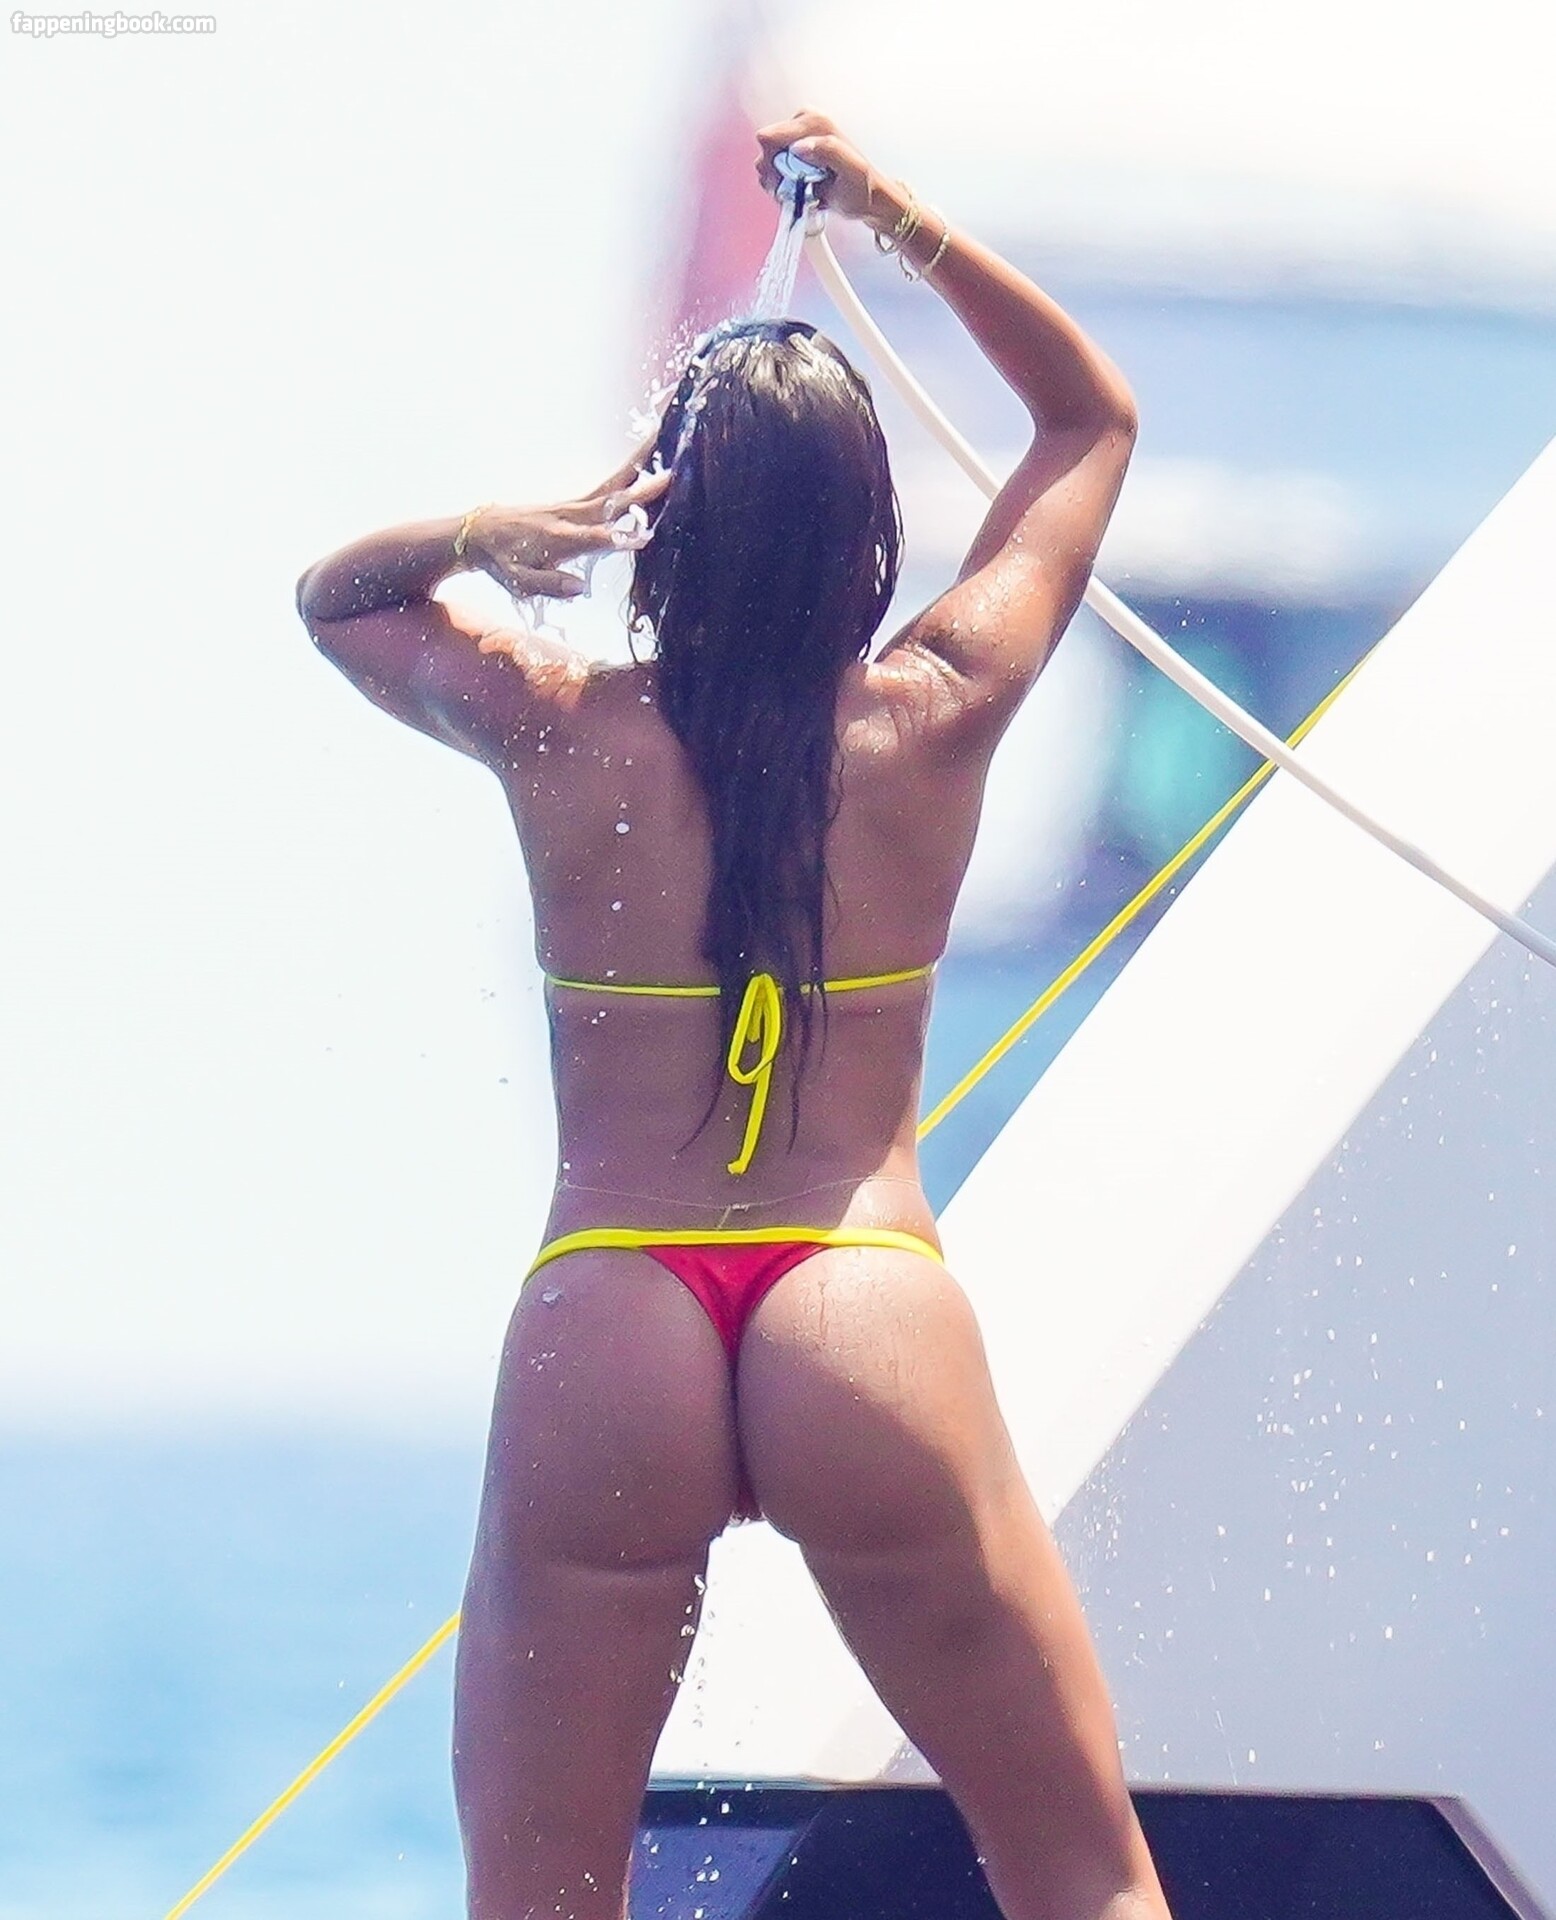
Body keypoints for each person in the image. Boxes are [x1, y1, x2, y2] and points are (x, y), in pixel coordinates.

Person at [296, 107, 1167, 1920]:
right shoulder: (936, 709)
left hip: (612, 1303)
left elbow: (341, 603)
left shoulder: (554, 722)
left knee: (540, 1900)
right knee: (1081, 1880)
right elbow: (1089, 421)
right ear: (869, 529)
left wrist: (490, 529)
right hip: (862, 1304)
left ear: (657, 521)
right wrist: (893, 215)